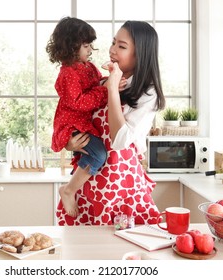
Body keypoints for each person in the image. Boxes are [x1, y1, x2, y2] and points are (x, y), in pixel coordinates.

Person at [56, 20, 166, 226]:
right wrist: (70, 143)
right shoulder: (101, 82)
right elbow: (74, 116)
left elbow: (119, 140)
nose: (112, 50)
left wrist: (112, 88)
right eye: (114, 43)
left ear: (140, 54)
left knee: (121, 252)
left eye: (121, 46)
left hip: (120, 185)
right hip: (88, 181)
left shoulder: (147, 92)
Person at [46, 17, 109, 217]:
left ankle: (71, 189)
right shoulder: (68, 74)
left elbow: (99, 84)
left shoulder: (88, 67)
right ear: (72, 47)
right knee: (99, 154)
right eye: (86, 45)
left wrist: (111, 81)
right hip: (72, 124)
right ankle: (68, 190)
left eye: (91, 45)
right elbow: (79, 103)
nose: (90, 50)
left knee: (96, 154)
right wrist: (105, 91)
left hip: (83, 124)